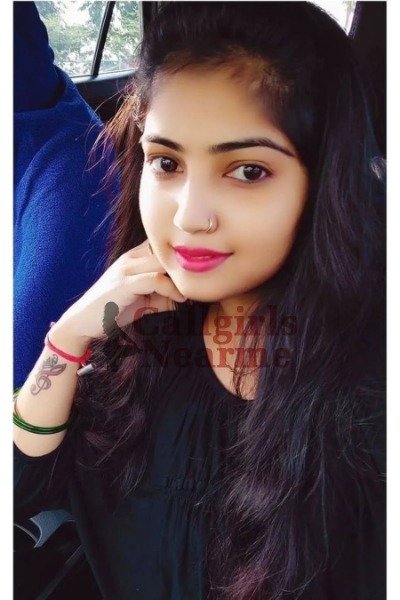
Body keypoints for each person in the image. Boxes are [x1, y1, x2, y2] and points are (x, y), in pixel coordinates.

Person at [13, 3, 386, 599]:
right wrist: (68, 338)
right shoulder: (138, 337)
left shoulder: (371, 393)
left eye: (248, 171)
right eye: (166, 163)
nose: (190, 216)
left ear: (324, 183)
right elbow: (22, 485)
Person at [14, 1, 113, 389]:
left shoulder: (75, 182)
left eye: (250, 172)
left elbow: (21, 380)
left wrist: (63, 344)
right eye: (166, 164)